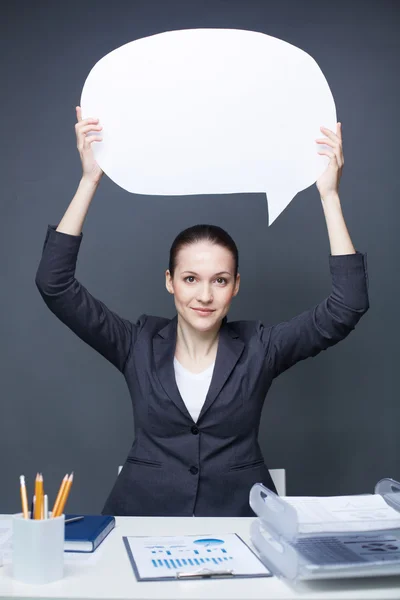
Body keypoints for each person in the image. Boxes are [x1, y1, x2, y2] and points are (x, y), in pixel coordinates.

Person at [35, 107, 369, 517]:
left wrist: (329, 196)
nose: (205, 295)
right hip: (142, 520)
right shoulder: (136, 343)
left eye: (220, 280)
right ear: (170, 281)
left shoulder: (259, 347)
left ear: (235, 286)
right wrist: (89, 180)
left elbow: (347, 305)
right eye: (191, 278)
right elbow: (55, 285)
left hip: (240, 522)